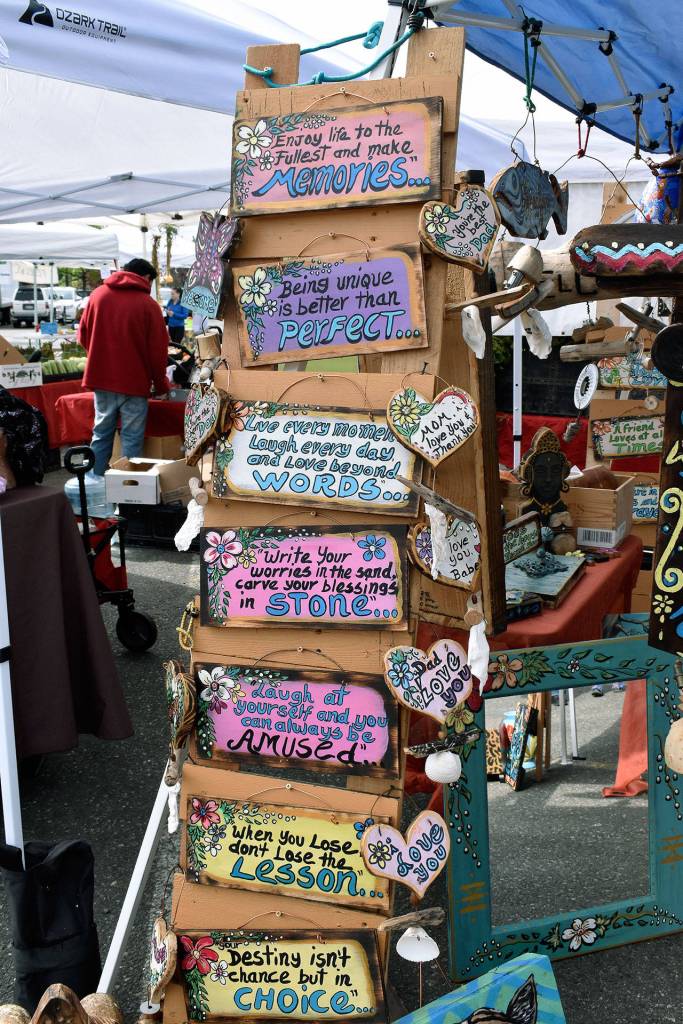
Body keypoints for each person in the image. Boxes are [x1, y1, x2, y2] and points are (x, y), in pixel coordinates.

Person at [79, 258, 170, 476]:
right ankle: (128, 495)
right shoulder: (148, 305)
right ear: (146, 278)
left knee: (101, 434)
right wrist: (161, 385)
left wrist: (102, 357)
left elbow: (83, 336)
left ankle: (95, 487)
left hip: (102, 379)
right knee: (132, 439)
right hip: (135, 383)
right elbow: (158, 352)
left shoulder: (98, 295)